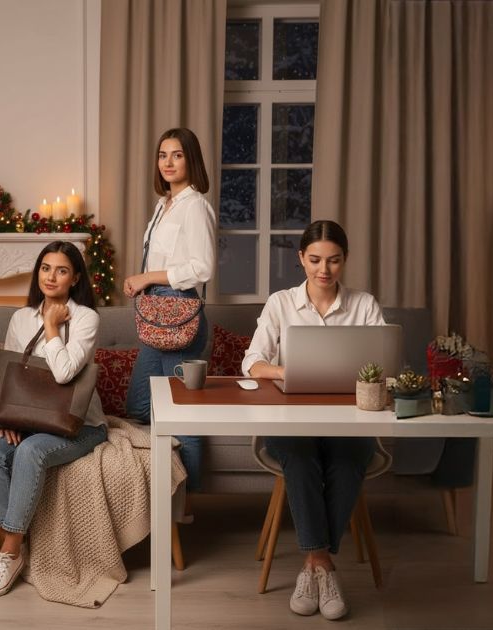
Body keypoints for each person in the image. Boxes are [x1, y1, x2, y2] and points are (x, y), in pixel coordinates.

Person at [242, 219, 385, 621]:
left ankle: (313, 566)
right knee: (301, 457)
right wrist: (288, 371)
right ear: (300, 258)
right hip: (292, 420)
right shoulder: (280, 303)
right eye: (316, 260)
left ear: (345, 260)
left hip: (349, 422)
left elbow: (384, 366)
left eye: (334, 261)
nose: (324, 270)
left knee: (348, 457)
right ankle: (323, 564)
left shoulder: (364, 305)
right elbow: (252, 362)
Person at [0, 241, 108, 599]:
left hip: (80, 426)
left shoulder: (85, 318)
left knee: (30, 452)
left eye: (62, 270)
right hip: (31, 420)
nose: (51, 276)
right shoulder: (20, 319)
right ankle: (13, 539)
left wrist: (51, 326)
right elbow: (12, 378)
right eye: (45, 268)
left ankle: (9, 552)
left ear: (75, 277)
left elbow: (64, 374)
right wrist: (8, 417)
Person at [121, 127, 216, 493]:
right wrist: (144, 282)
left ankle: (185, 504)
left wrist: (147, 276)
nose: (168, 162)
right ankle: (165, 483)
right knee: (140, 404)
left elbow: (202, 267)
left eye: (177, 155)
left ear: (190, 160)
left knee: (181, 412)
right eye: (163, 155)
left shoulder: (195, 206)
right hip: (156, 309)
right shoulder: (164, 205)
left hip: (178, 311)